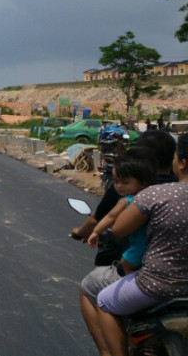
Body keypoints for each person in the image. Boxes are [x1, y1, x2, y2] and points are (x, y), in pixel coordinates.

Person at [77, 130, 177, 356]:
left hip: (154, 275)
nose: (120, 184)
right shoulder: (176, 187)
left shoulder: (140, 194)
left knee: (94, 290)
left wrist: (90, 232)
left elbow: (114, 226)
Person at [87, 152, 157, 275]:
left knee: (125, 264)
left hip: (138, 244)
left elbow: (110, 216)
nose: (119, 186)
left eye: (125, 182)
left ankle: (134, 284)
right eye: (116, 181)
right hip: (153, 244)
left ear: (142, 183)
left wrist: (96, 232)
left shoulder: (126, 200)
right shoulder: (151, 198)